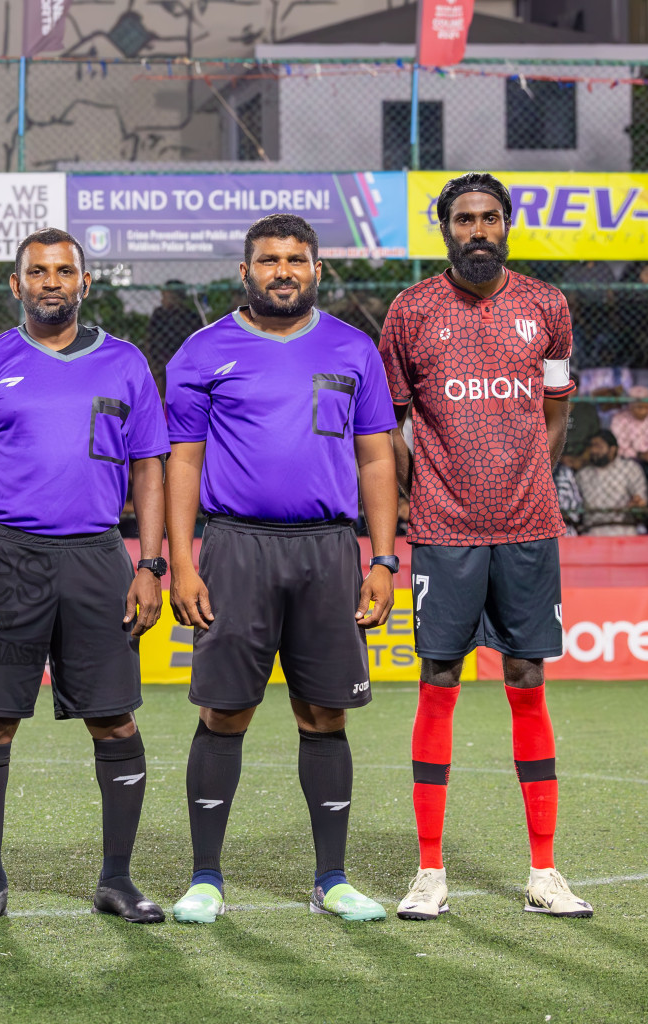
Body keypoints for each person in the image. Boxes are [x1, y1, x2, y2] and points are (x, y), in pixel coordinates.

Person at [160, 214, 398, 925]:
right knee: (224, 710)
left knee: (324, 712)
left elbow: (378, 457)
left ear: (317, 270)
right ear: (245, 272)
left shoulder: (354, 349)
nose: (283, 271)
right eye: (269, 260)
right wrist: (182, 560)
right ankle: (206, 877)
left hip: (329, 548)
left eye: (296, 259)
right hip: (235, 547)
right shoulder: (203, 352)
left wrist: (383, 558)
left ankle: (333, 878)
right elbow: (183, 461)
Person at [0, 228, 170, 926]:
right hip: (8, 557)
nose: (50, 282)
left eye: (63, 271)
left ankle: (117, 881)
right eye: (36, 271)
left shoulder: (126, 364)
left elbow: (150, 469)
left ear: (84, 284)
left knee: (114, 720)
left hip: (99, 556)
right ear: (16, 285)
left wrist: (150, 563)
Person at [381, 172, 592, 920]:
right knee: (439, 677)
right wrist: (419, 493)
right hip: (444, 532)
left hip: (529, 528)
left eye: (490, 217)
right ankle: (429, 872)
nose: (478, 230)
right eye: (464, 219)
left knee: (528, 677)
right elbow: (390, 427)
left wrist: (531, 477)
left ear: (507, 224)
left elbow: (558, 411)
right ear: (443, 228)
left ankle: (545, 873)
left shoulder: (548, 307)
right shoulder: (410, 312)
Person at [574, 429, 647, 536]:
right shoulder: (582, 475)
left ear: (612, 449)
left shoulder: (630, 468)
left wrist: (637, 502)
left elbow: (640, 499)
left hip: (624, 529)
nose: (593, 450)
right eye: (592, 446)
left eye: (598, 446)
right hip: (591, 531)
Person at [144, 281, 204, 389]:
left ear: (175, 297)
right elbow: (149, 340)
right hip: (161, 362)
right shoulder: (159, 314)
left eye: (165, 296)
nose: (162, 300)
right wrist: (154, 365)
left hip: (184, 363)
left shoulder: (191, 317)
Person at [607, 386, 648, 471]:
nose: (642, 408)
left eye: (646, 404)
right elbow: (618, 448)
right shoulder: (619, 419)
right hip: (628, 462)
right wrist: (638, 455)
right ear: (630, 405)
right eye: (638, 405)